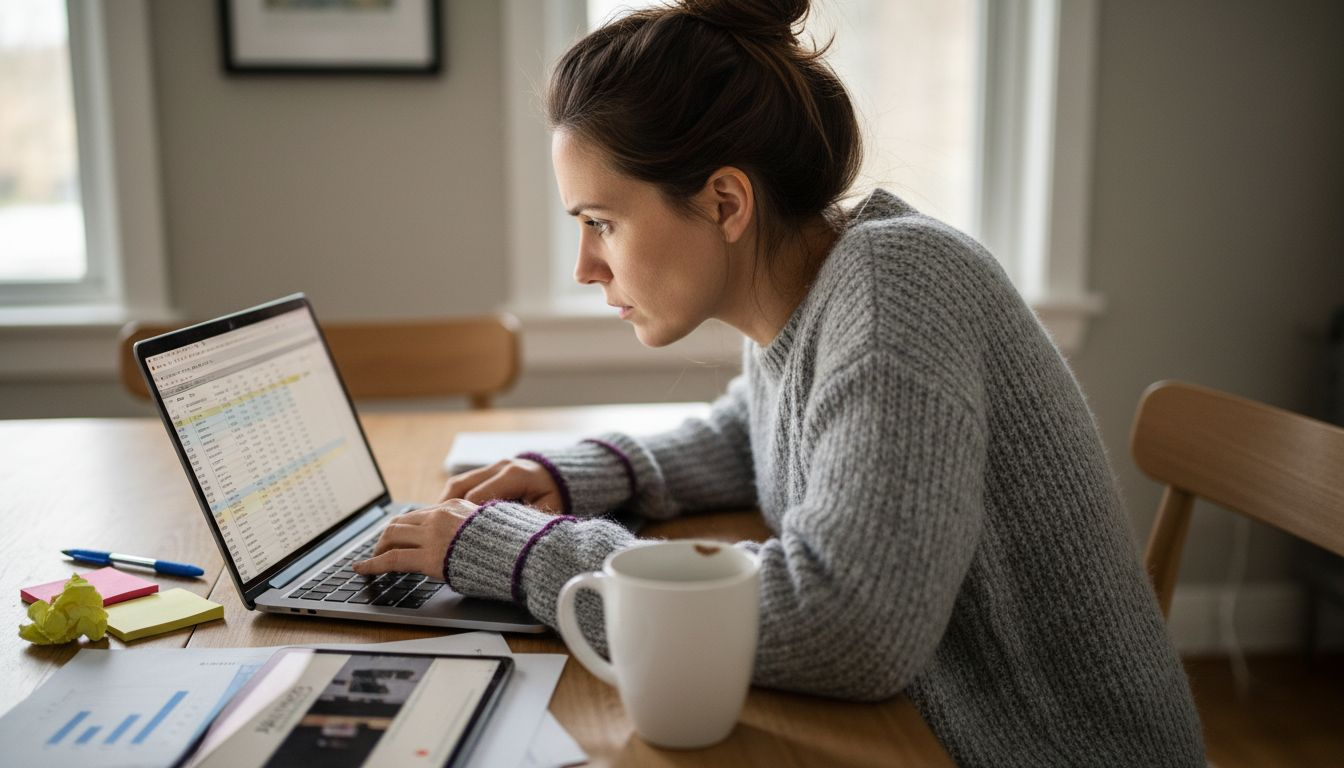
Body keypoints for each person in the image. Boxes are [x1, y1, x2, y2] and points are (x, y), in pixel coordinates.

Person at [354, 0, 1205, 764]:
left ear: (726, 202)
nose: (584, 266)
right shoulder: (822, 288)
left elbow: (849, 623)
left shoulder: (895, 287)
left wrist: (526, 552)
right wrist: (581, 474)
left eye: (602, 224)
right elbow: (749, 433)